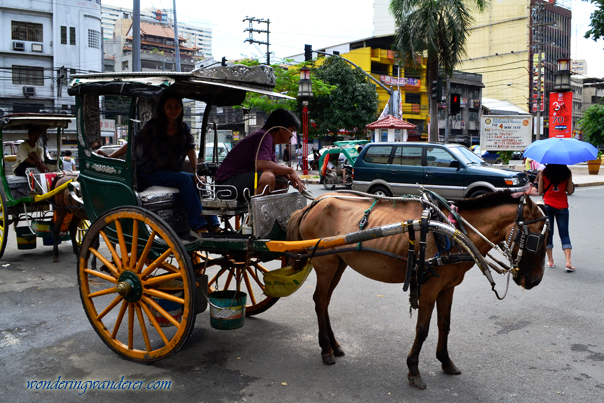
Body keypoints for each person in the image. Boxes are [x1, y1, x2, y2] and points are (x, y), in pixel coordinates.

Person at [103, 92, 219, 237]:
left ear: (181, 109)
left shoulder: (184, 128)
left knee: (198, 182)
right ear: (163, 109)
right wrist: (110, 157)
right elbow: (134, 143)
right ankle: (198, 226)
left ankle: (214, 224)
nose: (173, 110)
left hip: (172, 173)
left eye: (177, 106)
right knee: (185, 179)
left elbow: (190, 149)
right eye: (169, 106)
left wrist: (197, 173)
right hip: (150, 172)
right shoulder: (154, 125)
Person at [215, 108, 305, 199]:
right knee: (268, 177)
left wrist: (289, 174)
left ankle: (272, 211)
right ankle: (255, 212)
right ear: (282, 128)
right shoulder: (264, 136)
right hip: (226, 185)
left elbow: (272, 167)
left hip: (239, 181)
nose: (292, 134)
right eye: (292, 130)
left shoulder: (269, 141)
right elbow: (261, 164)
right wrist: (290, 170)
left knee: (283, 179)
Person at [538, 164, 575, 272]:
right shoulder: (567, 172)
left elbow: (540, 191)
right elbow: (569, 190)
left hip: (548, 205)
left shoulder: (544, 172)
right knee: (564, 234)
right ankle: (568, 262)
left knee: (549, 233)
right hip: (562, 206)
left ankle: (550, 260)